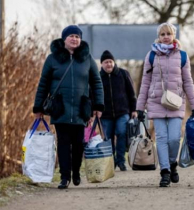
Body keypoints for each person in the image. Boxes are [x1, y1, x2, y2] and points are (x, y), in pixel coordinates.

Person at [33, 25, 104, 189]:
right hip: (60, 109)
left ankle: (76, 172)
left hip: (81, 110)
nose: (75, 39)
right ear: (64, 39)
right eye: (71, 36)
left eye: (77, 36)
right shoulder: (52, 59)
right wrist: (38, 108)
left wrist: (98, 106)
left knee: (78, 144)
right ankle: (65, 177)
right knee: (63, 143)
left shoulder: (87, 59)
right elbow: (43, 84)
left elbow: (97, 83)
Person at [136, 22, 194, 187]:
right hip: (156, 102)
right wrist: (139, 107)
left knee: (174, 138)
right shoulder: (151, 55)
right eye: (162, 34)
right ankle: (164, 171)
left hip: (176, 103)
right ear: (159, 36)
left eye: (168, 34)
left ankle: (173, 164)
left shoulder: (182, 56)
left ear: (174, 36)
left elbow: (188, 82)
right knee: (161, 138)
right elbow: (145, 82)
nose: (165, 37)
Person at [99, 50, 137, 171]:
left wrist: (134, 109)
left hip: (123, 111)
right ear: (102, 64)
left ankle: (121, 160)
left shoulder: (123, 74)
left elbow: (132, 93)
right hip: (105, 114)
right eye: (106, 62)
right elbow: (93, 95)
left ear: (114, 62)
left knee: (121, 133)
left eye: (110, 61)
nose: (108, 64)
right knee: (108, 137)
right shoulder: (98, 77)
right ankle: (111, 161)